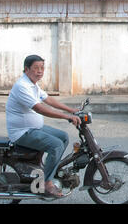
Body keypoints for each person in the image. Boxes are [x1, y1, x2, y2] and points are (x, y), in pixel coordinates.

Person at [6, 55, 81, 198]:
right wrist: (67, 117)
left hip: (33, 128)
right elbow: (40, 108)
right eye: (36, 68)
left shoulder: (33, 84)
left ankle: (48, 170)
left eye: (42, 68)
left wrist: (71, 110)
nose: (40, 71)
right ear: (27, 69)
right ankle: (45, 183)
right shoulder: (22, 86)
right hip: (23, 132)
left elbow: (48, 99)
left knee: (63, 137)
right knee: (56, 145)